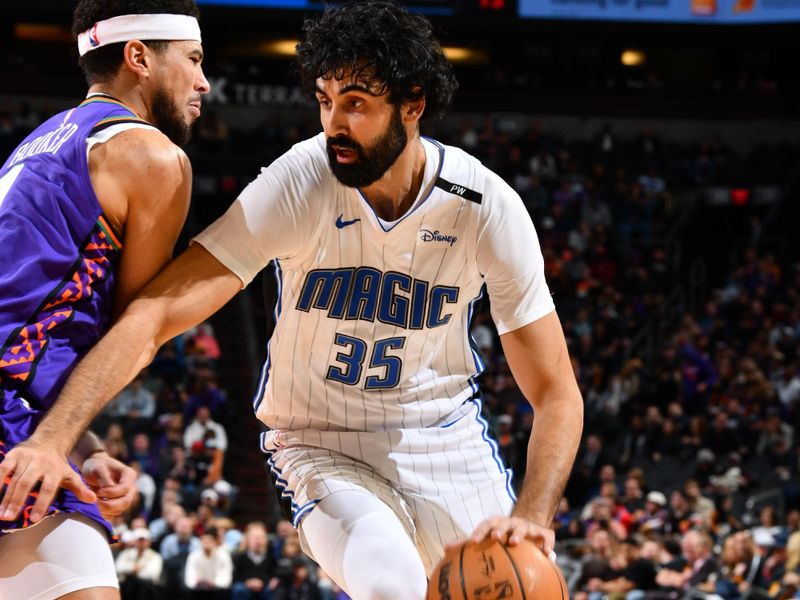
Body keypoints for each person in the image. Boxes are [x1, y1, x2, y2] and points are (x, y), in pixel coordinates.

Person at [0, 2, 582, 599]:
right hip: (321, 443)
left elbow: (557, 393)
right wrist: (55, 438)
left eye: (355, 103)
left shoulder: (486, 204)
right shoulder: (300, 179)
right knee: (393, 585)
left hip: (442, 436)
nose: (333, 122)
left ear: (413, 104)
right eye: (325, 100)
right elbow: (151, 315)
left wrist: (534, 517)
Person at [0, 0, 209, 598]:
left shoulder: (43, 139)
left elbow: (38, 324)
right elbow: (132, 331)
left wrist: (82, 444)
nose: (203, 82)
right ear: (139, 57)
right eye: (193, 60)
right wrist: (57, 441)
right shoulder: (153, 158)